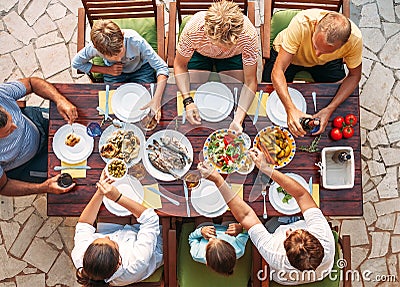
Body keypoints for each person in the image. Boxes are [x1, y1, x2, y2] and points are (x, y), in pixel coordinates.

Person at [197, 149, 335, 285]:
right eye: (297, 232)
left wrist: (218, 180)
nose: (289, 230)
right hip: (320, 272)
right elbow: (302, 195)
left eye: (289, 235)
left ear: (285, 252)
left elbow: (246, 216)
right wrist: (266, 168)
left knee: (268, 225)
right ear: (315, 238)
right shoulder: (323, 234)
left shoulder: (273, 252)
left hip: (283, 276)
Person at [262, 9, 362, 137]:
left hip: (326, 64)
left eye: (326, 51)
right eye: (315, 46)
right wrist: (290, 109)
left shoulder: (355, 40)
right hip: (290, 56)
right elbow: (278, 70)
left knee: (335, 93)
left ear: (344, 44)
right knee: (268, 91)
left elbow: (354, 76)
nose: (317, 54)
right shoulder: (300, 23)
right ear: (315, 25)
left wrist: (330, 109)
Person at [174, 0, 259, 133]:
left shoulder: (248, 35)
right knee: (195, 88)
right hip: (201, 53)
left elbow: (250, 81)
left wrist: (238, 120)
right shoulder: (194, 29)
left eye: (228, 45)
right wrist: (187, 101)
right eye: (220, 44)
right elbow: (179, 65)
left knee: (234, 90)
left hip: (233, 56)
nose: (224, 50)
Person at [72, 171, 163, 286]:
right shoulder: (136, 262)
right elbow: (151, 219)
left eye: (100, 238)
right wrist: (118, 197)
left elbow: (84, 224)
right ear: (119, 262)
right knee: (147, 200)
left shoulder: (81, 257)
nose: (106, 236)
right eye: (111, 241)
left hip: (120, 232)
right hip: (150, 244)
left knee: (111, 210)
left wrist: (100, 192)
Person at [72, 20, 169, 122]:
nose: (119, 59)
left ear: (122, 35)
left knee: (146, 108)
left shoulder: (135, 41)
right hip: (113, 73)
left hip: (141, 69)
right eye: (112, 57)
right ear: (97, 49)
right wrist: (107, 70)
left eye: (120, 51)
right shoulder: (93, 48)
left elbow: (162, 67)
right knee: (114, 111)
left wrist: (157, 99)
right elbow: (76, 63)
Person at [0, 77, 78, 196]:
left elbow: (32, 83)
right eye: (8, 132)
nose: (16, 127)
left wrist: (59, 100)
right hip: (29, 163)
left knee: (79, 123)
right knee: (74, 174)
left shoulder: (1, 95)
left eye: (12, 119)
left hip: (36, 121)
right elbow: (4, 186)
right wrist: (44, 187)